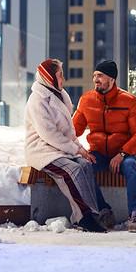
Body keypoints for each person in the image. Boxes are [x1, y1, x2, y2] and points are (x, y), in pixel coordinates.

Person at [24, 58, 106, 233]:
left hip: (59, 148)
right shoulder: (37, 100)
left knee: (85, 165)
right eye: (60, 75)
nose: (63, 79)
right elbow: (49, 134)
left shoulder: (61, 95)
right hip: (42, 150)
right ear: (49, 77)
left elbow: (68, 130)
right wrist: (75, 149)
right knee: (72, 170)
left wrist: (81, 150)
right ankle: (83, 217)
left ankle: (92, 213)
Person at [73, 60, 136, 233]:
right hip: (98, 153)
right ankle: (103, 211)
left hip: (124, 153)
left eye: (100, 76)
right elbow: (73, 130)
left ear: (112, 79)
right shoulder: (86, 100)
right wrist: (79, 149)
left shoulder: (129, 101)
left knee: (131, 167)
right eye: (94, 76)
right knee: (84, 167)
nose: (95, 79)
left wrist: (122, 154)